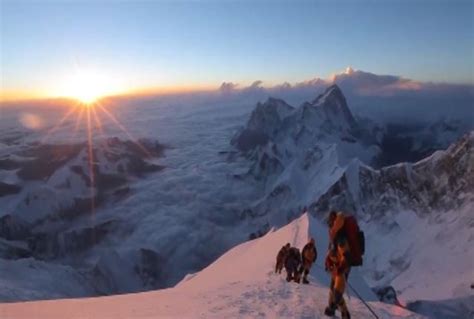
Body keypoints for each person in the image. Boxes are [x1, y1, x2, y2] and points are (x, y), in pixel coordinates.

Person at [324, 211, 351, 319]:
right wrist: (329, 262)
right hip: (336, 268)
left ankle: (345, 313)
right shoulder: (335, 237)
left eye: (330, 223)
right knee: (332, 290)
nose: (329, 226)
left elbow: (346, 256)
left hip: (341, 269)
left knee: (337, 292)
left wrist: (340, 269)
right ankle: (332, 308)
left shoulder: (340, 238)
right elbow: (331, 252)